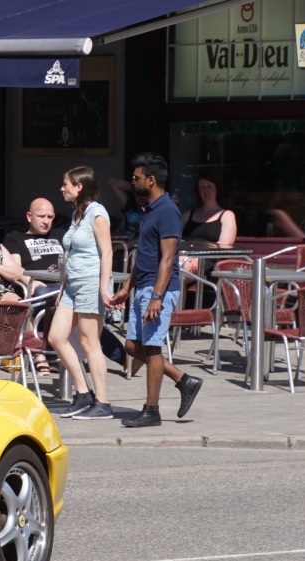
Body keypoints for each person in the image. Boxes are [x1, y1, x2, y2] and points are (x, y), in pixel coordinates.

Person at [107, 153, 203, 428]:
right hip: (144, 287)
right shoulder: (149, 210)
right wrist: (127, 287)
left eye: (136, 177)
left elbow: (168, 258)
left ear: (150, 180)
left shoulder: (167, 211)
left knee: (151, 349)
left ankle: (152, 410)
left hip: (158, 290)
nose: (132, 181)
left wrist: (157, 297)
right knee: (132, 346)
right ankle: (185, 381)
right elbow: (144, 255)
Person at [4, 196, 127, 374]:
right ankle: (119, 357)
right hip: (41, 288)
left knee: (89, 310)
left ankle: (123, 358)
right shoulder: (15, 238)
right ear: (29, 217)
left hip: (68, 285)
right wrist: (30, 282)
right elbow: (15, 267)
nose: (46, 221)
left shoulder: (62, 235)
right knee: (74, 307)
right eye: (41, 216)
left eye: (50, 217)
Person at [50, 167, 115, 420]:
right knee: (56, 336)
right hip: (72, 284)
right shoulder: (77, 214)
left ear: (80, 186)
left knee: (90, 342)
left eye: (65, 184)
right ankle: (83, 393)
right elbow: (71, 255)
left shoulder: (97, 213)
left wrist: (103, 286)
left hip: (90, 281)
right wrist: (63, 284)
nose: (62, 188)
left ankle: (103, 402)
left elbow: (107, 252)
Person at [180, 171, 237, 273]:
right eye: (202, 187)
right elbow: (173, 238)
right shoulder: (187, 215)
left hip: (211, 261)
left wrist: (199, 257)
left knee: (178, 273)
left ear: (216, 189)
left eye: (209, 186)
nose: (206, 190)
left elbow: (224, 245)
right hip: (185, 258)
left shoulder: (227, 215)